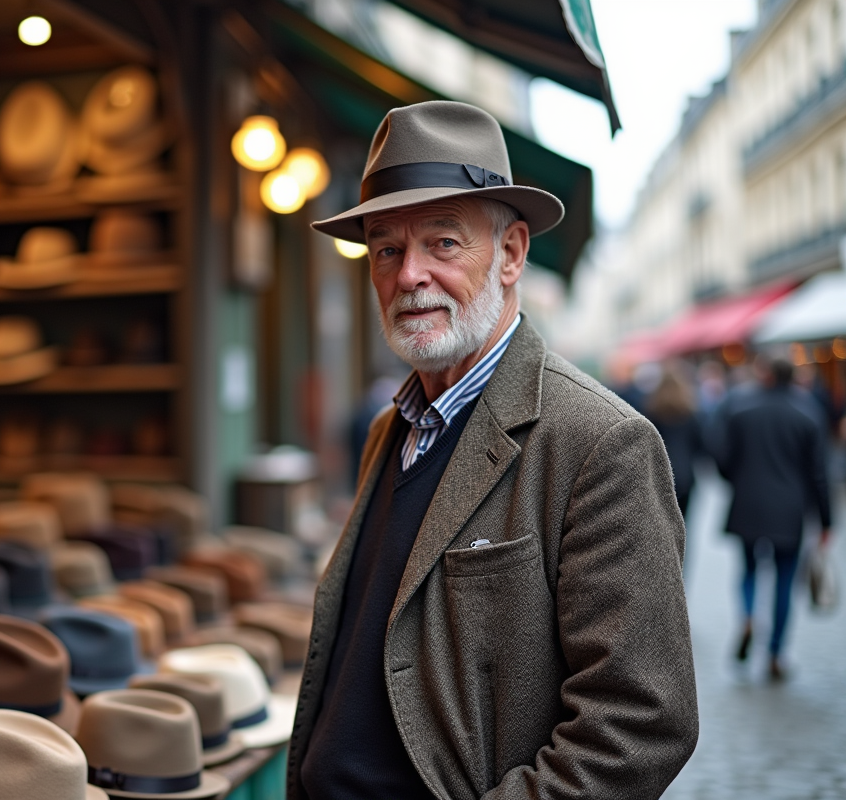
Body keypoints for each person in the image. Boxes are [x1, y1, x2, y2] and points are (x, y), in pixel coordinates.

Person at [288, 101, 697, 800]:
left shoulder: (599, 443)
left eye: (443, 243)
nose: (409, 274)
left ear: (510, 254)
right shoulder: (391, 429)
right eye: (386, 249)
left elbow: (639, 725)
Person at [710, 356, 833, 680]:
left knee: (749, 570)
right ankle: (776, 652)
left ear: (765, 376)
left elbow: (721, 459)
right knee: (784, 580)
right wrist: (826, 521)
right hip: (789, 510)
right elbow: (820, 474)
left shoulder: (741, 412)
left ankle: (749, 616)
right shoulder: (808, 414)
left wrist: (740, 481)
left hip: (748, 504)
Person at [644, 362, 703, 518]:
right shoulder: (689, 412)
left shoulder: (651, 411)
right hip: (686, 474)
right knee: (683, 520)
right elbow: (701, 444)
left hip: (661, 473)